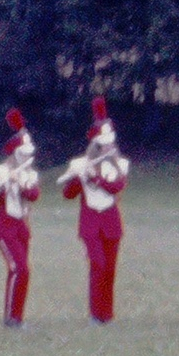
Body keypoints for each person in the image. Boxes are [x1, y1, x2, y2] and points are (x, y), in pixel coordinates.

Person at [59, 98, 130, 324]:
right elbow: (68, 195)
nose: (109, 148)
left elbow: (116, 188)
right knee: (97, 264)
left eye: (111, 144)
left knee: (109, 268)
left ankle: (107, 314)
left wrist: (96, 178)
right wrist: (78, 178)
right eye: (105, 144)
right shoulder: (81, 164)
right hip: (90, 222)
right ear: (96, 145)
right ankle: (95, 314)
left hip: (111, 221)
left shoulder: (121, 164)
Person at [0, 109, 38, 327]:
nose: (27, 157)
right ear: (15, 152)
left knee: (21, 269)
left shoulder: (30, 173)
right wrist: (5, 185)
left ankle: (16, 314)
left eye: (28, 153)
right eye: (23, 153)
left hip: (22, 227)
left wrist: (22, 183)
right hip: (4, 227)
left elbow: (34, 196)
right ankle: (12, 318)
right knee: (20, 268)